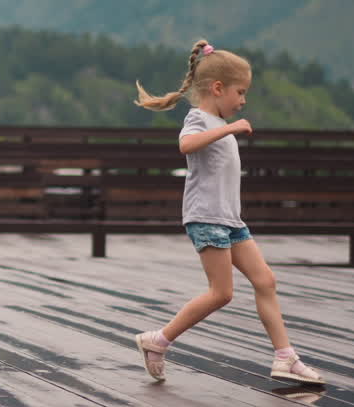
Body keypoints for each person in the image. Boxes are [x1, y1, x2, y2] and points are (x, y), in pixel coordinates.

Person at [130, 39, 325, 386]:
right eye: (240, 91)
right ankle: (157, 341)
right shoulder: (199, 120)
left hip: (231, 221)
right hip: (206, 219)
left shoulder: (215, 122)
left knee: (265, 280)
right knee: (221, 293)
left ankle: (285, 358)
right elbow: (185, 145)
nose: (243, 100)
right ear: (218, 88)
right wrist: (231, 128)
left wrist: (227, 128)